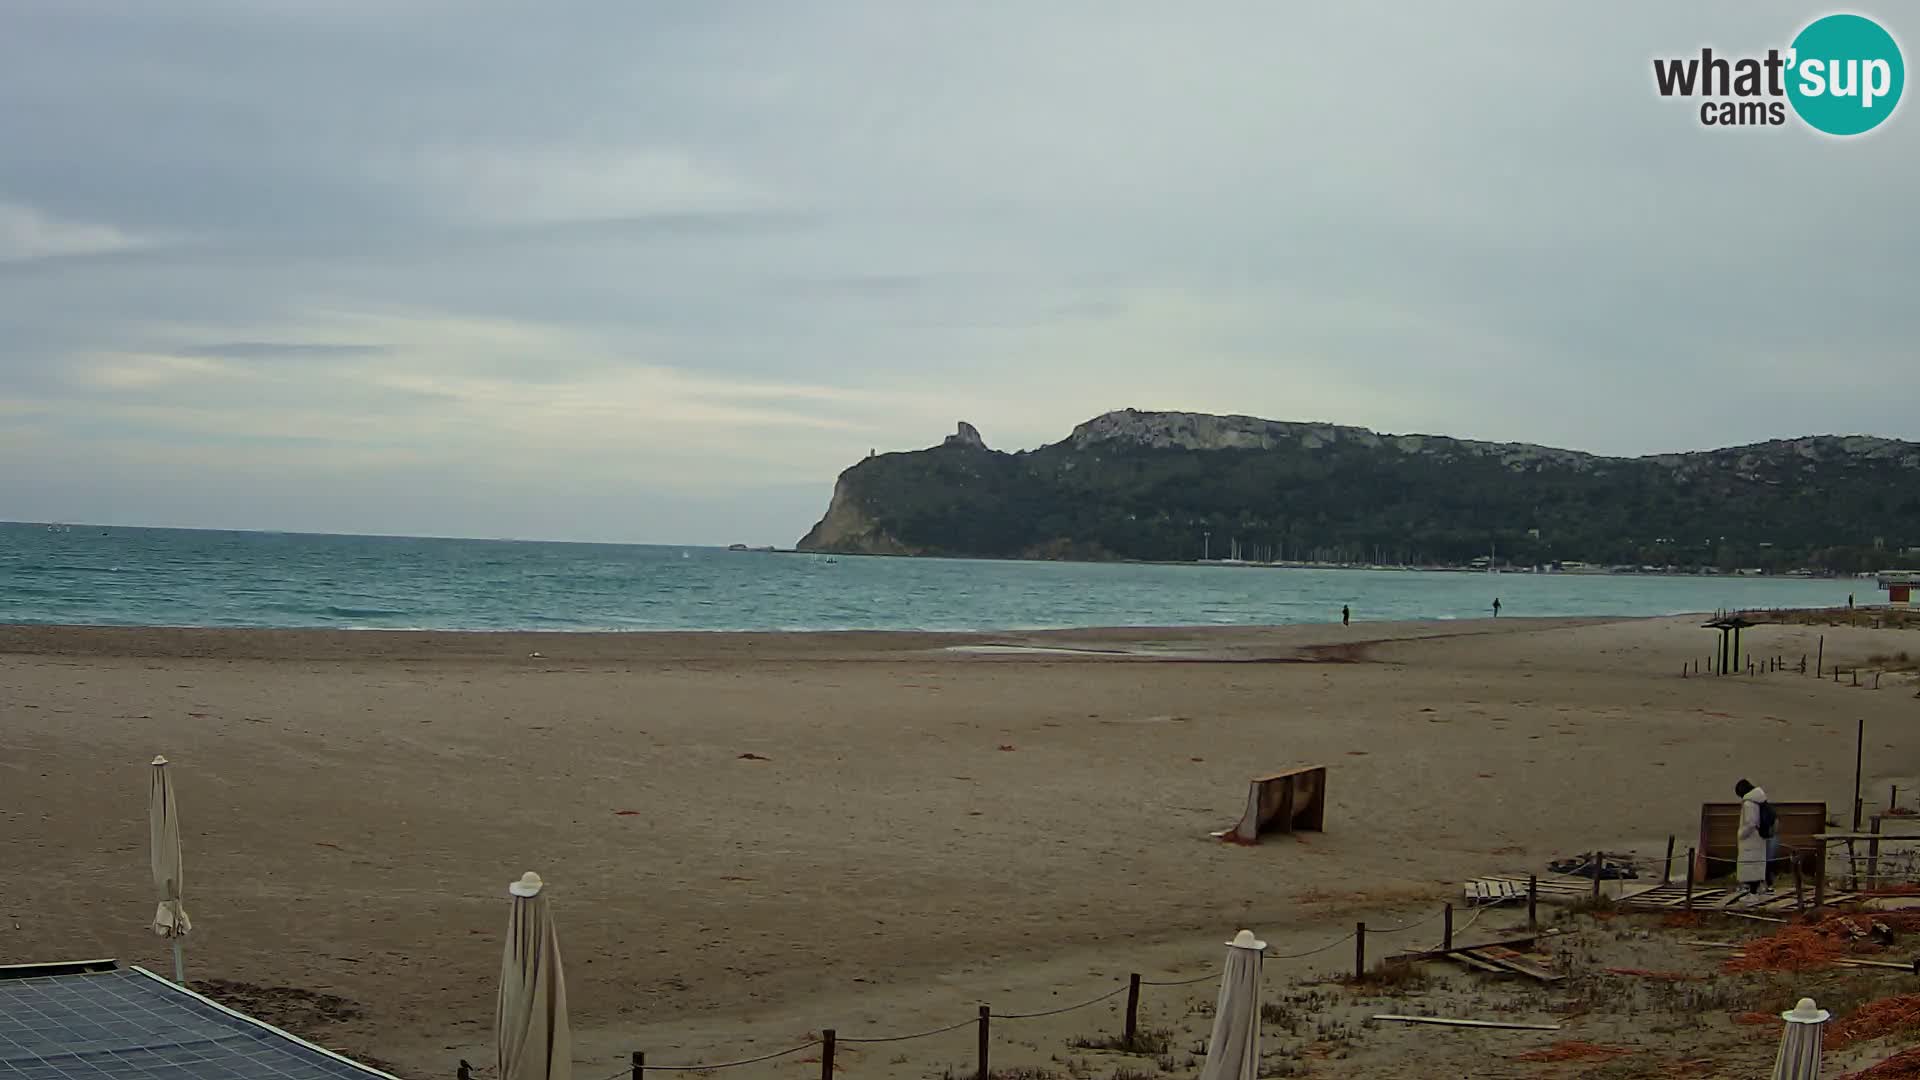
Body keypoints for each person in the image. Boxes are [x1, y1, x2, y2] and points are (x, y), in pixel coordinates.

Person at [1734, 778, 1774, 896]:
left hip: (1750, 840)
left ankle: (1751, 892)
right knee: (1756, 865)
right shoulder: (1759, 800)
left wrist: (1741, 834)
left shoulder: (1749, 803)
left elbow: (1751, 823)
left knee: (1749, 865)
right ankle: (1756, 888)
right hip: (1759, 839)